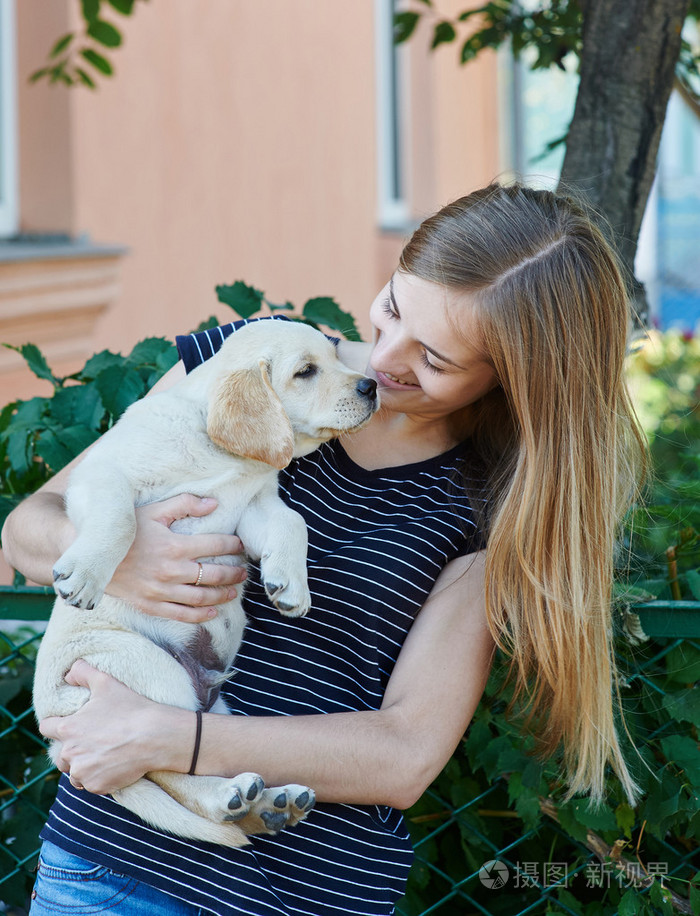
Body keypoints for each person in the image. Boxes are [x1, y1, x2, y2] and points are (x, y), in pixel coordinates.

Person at [1, 182, 646, 916]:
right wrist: (119, 553)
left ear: (511, 379)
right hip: (119, 873)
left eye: (433, 358)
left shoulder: (495, 504)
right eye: (393, 307)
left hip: (309, 893)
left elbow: (405, 753)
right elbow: (28, 525)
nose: (385, 358)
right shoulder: (262, 360)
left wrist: (169, 738)